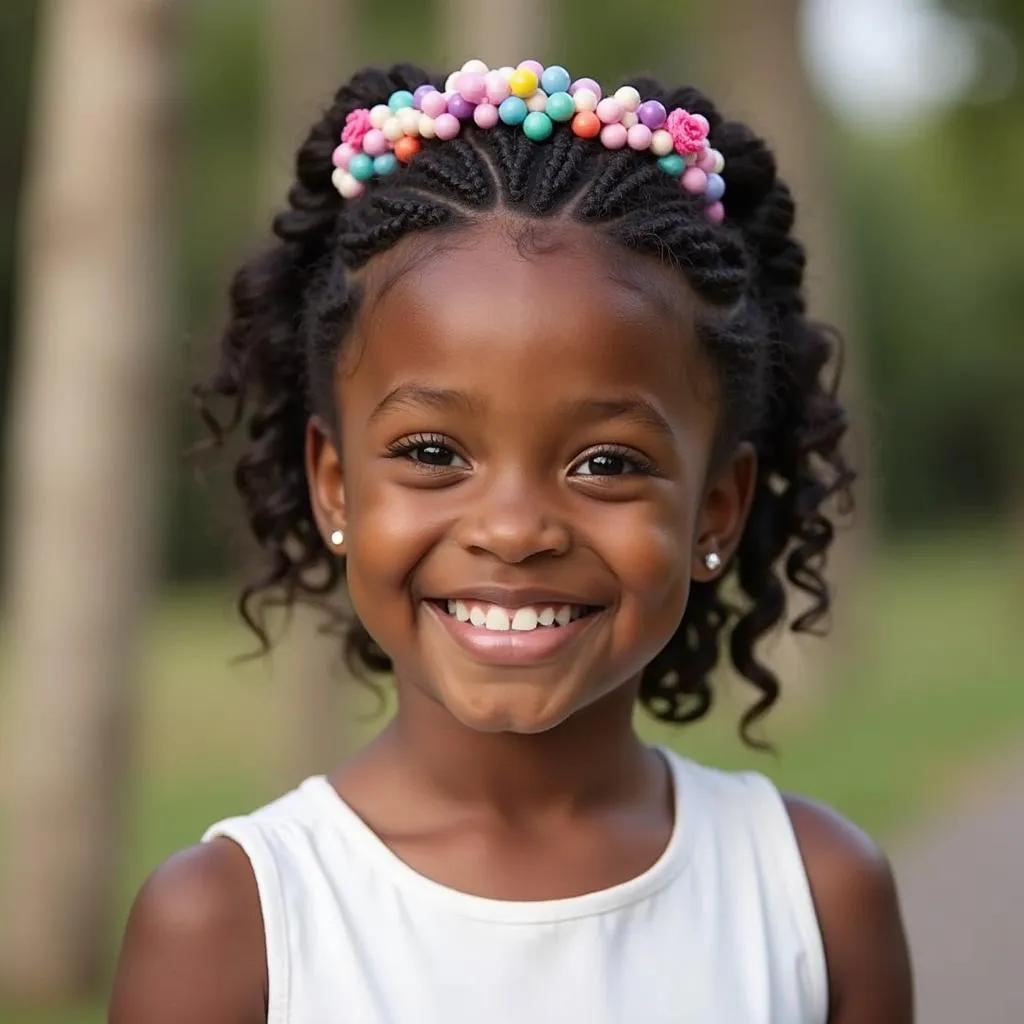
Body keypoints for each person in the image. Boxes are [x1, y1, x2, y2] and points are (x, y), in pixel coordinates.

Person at [109, 59, 913, 1023]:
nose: (515, 529)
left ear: (716, 510)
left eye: (608, 463)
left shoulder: (816, 900)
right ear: (336, 486)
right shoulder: (236, 925)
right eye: (433, 450)